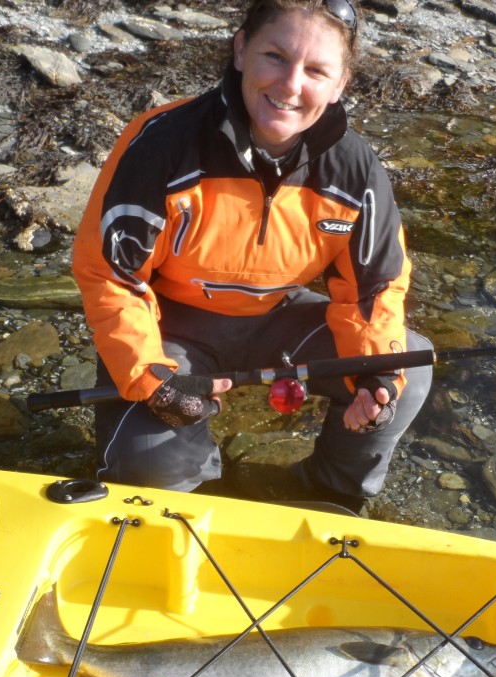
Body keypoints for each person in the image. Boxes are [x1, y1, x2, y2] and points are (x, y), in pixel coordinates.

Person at [72, 0, 433, 509]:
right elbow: (111, 274)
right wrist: (148, 376)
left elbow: (374, 289)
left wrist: (376, 378)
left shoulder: (356, 169)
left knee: (408, 368)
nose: (290, 85)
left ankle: (331, 492)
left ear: (340, 85)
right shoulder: (161, 144)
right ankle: (200, 493)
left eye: (315, 70)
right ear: (241, 49)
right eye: (275, 57)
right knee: (147, 468)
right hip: (170, 329)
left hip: (279, 318)